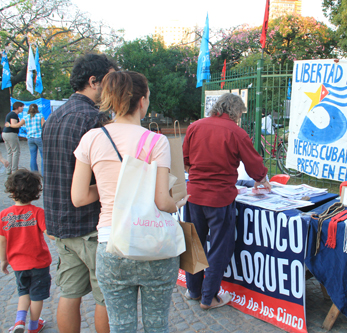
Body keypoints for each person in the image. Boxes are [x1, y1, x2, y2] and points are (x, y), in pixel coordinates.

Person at [71, 71, 188, 332]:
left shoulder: (91, 138)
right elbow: (162, 201)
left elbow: (79, 197)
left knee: (121, 326)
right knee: (157, 324)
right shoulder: (156, 141)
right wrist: (177, 204)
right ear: (143, 101)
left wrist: (110, 188)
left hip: (111, 244)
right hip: (153, 244)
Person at [42, 53, 117, 333]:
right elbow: (106, 176)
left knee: (70, 293)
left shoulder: (55, 115)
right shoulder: (94, 119)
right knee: (105, 295)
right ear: (93, 81)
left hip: (60, 222)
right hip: (89, 223)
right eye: (109, 81)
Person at [183, 93, 271, 310]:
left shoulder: (195, 126)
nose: (240, 118)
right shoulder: (237, 132)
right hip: (219, 198)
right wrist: (261, 178)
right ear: (235, 111)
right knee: (220, 247)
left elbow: (185, 160)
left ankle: (193, 290)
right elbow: (255, 166)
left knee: (195, 243)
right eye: (240, 113)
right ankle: (209, 297)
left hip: (194, 194)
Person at [0, 170, 54, 333]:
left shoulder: (4, 215)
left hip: (18, 264)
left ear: (11, 191)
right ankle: (33, 325)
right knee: (37, 295)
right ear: (35, 192)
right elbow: (49, 234)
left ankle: (18, 322)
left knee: (23, 292)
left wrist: (4, 260)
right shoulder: (38, 213)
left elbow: (2, 240)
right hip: (38, 263)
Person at [7, 104, 45, 174]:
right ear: (37, 109)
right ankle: (43, 173)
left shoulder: (26, 117)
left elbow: (18, 125)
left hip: (30, 138)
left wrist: (9, 125)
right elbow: (43, 126)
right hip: (39, 137)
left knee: (33, 156)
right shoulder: (40, 116)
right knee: (43, 156)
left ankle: (34, 173)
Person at [2, 102, 24, 175]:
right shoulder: (13, 114)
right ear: (18, 107)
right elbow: (14, 125)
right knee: (15, 151)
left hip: (5, 133)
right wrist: (21, 123)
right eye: (22, 107)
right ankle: (14, 170)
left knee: (10, 152)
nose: (23, 108)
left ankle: (8, 170)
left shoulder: (11, 114)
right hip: (11, 134)